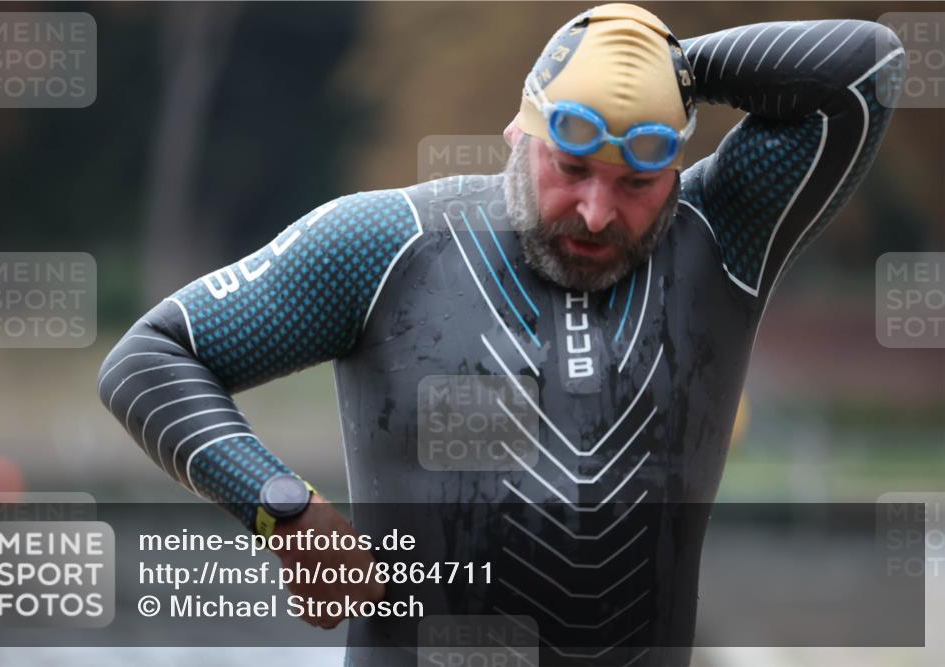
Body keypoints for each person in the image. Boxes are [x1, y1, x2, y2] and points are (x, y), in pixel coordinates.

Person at [99, 4, 905, 665]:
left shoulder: (722, 238)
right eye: (573, 168)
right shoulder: (387, 245)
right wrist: (283, 510)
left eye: (636, 184)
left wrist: (670, 62)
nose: (598, 212)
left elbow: (866, 66)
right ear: (520, 133)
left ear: (672, 173)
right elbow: (152, 356)